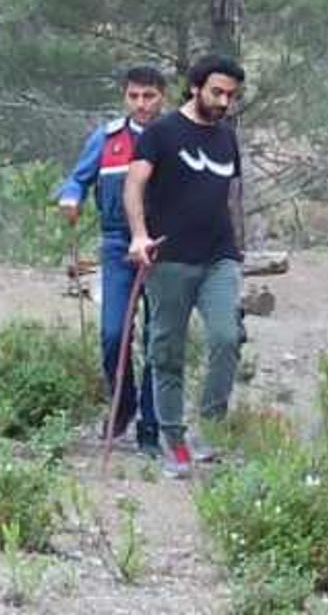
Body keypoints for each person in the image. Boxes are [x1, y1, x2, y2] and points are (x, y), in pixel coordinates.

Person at [124, 54, 247, 479]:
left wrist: (238, 246)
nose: (224, 101)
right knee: (166, 350)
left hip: (219, 256)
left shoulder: (227, 138)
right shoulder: (161, 133)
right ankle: (172, 441)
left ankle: (210, 429)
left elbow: (230, 194)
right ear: (196, 87)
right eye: (217, 91)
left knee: (227, 336)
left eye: (231, 94)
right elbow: (133, 185)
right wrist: (139, 235)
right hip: (169, 257)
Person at [57, 65, 167, 458]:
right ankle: (122, 404)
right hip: (117, 244)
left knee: (160, 336)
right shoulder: (108, 139)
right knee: (112, 334)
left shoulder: (174, 136)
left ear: (163, 97)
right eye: (134, 96)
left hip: (165, 247)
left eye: (149, 96)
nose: (141, 104)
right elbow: (77, 179)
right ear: (125, 96)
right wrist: (70, 199)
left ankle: (153, 425)